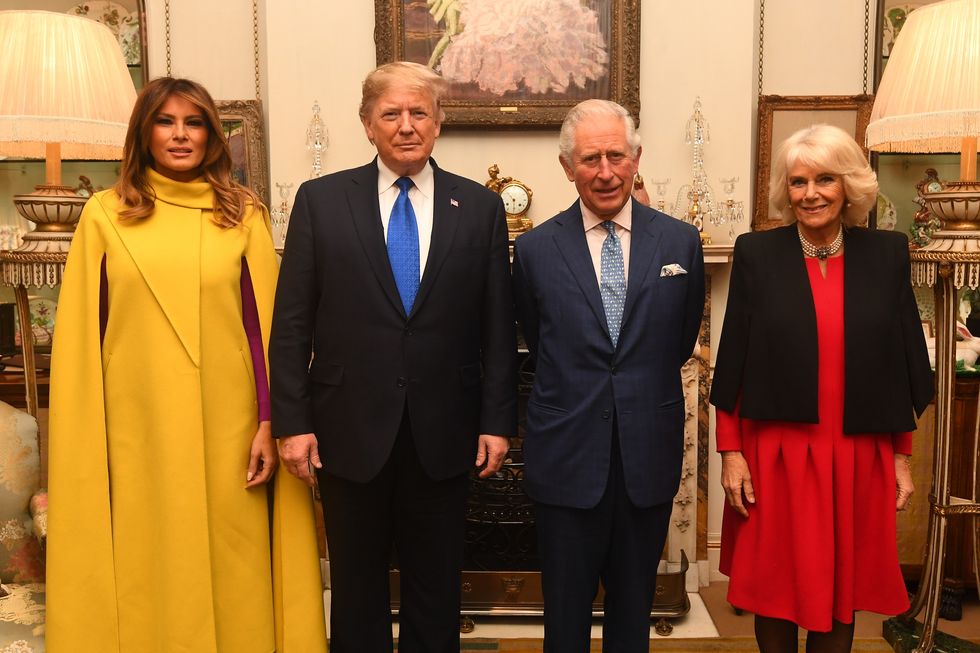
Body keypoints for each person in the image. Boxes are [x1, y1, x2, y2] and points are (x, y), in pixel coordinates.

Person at [46, 77, 327, 653]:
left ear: (212, 136)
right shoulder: (104, 215)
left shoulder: (242, 214)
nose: (180, 135)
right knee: (147, 556)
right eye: (165, 122)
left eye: (194, 123)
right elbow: (82, 339)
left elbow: (265, 332)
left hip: (232, 431)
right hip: (135, 429)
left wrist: (270, 422)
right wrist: (89, 435)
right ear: (143, 132)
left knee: (236, 558)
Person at [269, 61, 517, 653]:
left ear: (438, 123)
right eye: (391, 114)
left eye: (419, 113)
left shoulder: (478, 208)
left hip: (446, 430)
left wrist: (497, 422)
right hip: (346, 427)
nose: (406, 126)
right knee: (356, 588)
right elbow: (291, 322)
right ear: (367, 124)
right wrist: (293, 423)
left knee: (437, 586)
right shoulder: (321, 201)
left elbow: (497, 327)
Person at [709, 124, 933, 653]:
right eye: (798, 182)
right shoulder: (758, 255)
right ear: (786, 192)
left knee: (841, 587)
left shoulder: (887, 254)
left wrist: (901, 457)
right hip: (777, 455)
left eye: (825, 179)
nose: (811, 194)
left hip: (858, 452)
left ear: (849, 185)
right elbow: (732, 362)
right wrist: (731, 452)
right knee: (775, 588)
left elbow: (901, 364)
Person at [512, 99, 705, 652]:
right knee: (565, 617)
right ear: (567, 167)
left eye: (616, 155)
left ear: (636, 158)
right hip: (566, 456)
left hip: (647, 452)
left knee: (632, 615)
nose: (605, 171)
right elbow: (536, 335)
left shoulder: (679, 243)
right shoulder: (533, 250)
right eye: (590, 158)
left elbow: (678, 336)